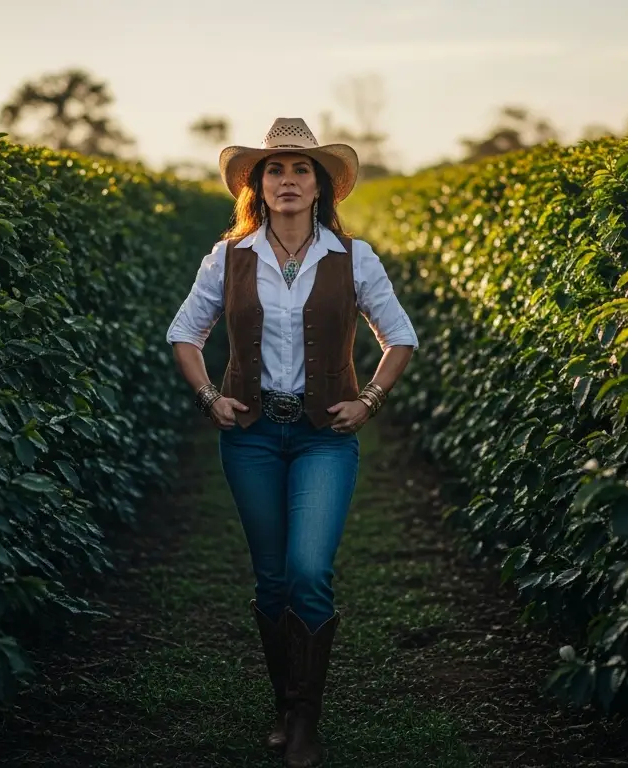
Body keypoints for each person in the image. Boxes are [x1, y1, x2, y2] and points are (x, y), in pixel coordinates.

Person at [165, 117, 418, 767]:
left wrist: (370, 399)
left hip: (322, 438)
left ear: (320, 186)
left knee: (309, 571)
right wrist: (208, 397)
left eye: (300, 169)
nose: (286, 180)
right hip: (249, 436)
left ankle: (306, 719)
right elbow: (184, 334)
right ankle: (285, 702)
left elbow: (400, 336)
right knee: (272, 579)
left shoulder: (354, 258)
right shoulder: (228, 258)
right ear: (257, 185)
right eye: (274, 170)